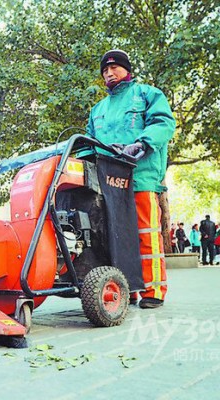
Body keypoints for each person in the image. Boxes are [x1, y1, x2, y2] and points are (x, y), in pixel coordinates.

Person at [85, 49, 176, 309]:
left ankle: (153, 291)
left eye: (114, 68)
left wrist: (141, 144)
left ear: (127, 70)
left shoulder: (147, 94)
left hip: (141, 177)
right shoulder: (98, 110)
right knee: (113, 236)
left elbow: (163, 123)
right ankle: (126, 289)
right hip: (107, 182)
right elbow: (89, 143)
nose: (109, 73)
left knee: (145, 233)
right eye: (104, 70)